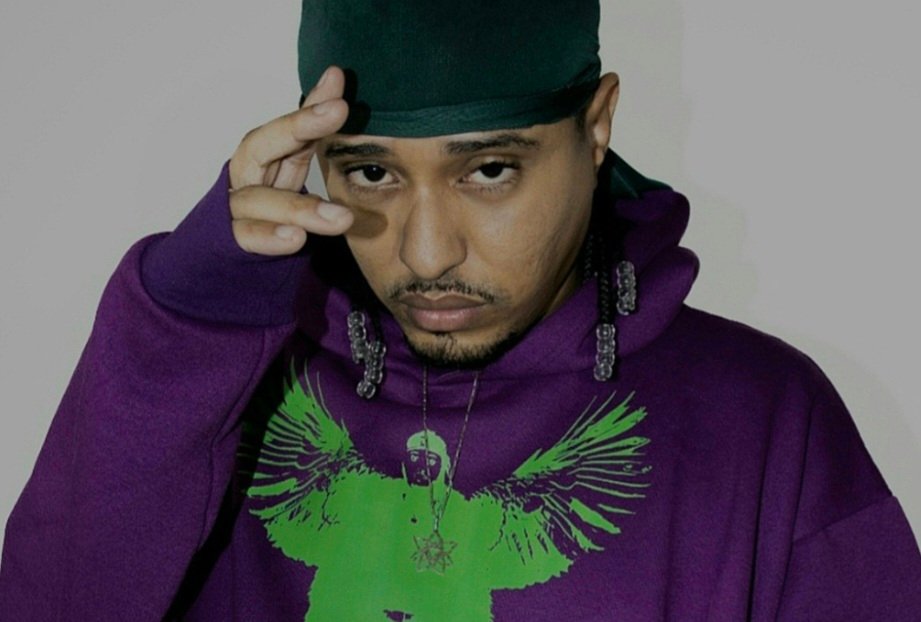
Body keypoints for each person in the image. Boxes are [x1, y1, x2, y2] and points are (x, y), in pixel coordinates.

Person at [1, 1, 920, 620]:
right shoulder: (229, 384)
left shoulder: (761, 416)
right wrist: (187, 325)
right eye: (371, 172)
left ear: (597, 125)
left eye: (488, 170)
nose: (426, 253)